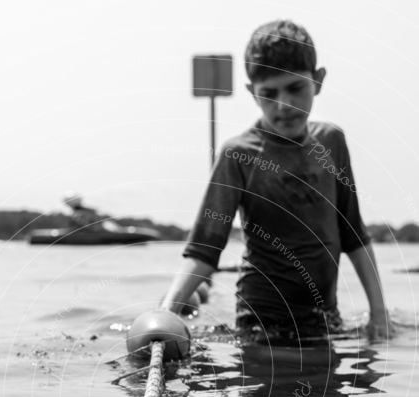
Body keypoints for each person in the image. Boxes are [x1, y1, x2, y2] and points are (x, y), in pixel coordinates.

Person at [162, 20, 393, 342]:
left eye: (296, 88)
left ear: (318, 80)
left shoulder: (332, 143)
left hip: (324, 321)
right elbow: (204, 249)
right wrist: (166, 314)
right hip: (259, 325)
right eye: (269, 94)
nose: (284, 105)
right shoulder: (238, 156)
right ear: (252, 95)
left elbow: (353, 233)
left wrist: (379, 314)